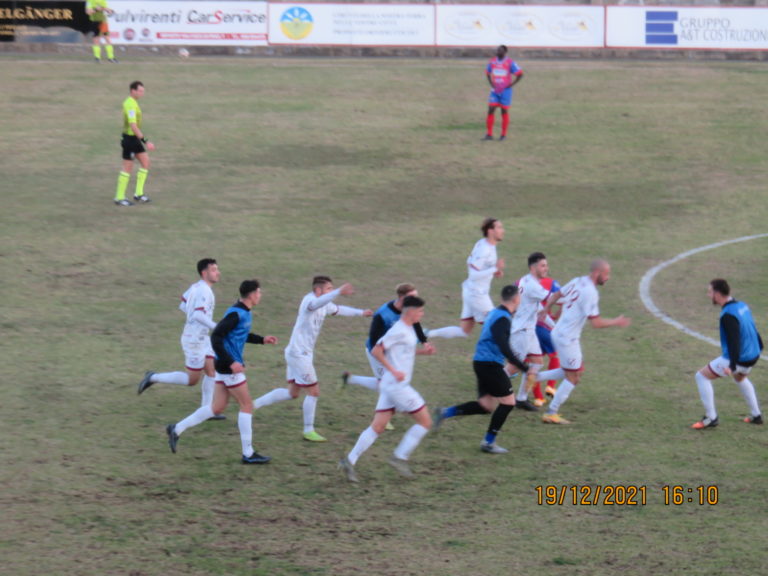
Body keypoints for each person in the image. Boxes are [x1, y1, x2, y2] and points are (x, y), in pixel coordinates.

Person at [165, 279, 277, 464]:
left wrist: (262, 339)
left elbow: (239, 335)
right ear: (251, 294)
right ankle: (248, 454)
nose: (260, 295)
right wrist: (232, 362)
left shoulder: (242, 312)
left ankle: (176, 429)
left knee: (216, 408)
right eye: (259, 292)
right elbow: (216, 336)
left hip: (223, 365)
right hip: (228, 366)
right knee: (247, 405)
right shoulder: (236, 314)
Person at [252, 276, 373, 442]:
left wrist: (361, 313)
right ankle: (308, 430)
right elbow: (318, 304)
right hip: (299, 354)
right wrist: (338, 291)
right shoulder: (309, 301)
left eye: (332, 288)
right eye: (329, 288)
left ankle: (253, 405)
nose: (331, 291)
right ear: (318, 290)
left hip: (300, 353)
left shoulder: (324, 303)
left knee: (292, 393)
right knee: (314, 391)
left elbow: (338, 309)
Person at [339, 296, 436, 482]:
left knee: (378, 426)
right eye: (421, 311)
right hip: (397, 386)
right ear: (410, 311)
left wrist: (424, 352)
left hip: (390, 385)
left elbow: (403, 351)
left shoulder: (407, 329)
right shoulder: (398, 329)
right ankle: (399, 457)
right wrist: (393, 370)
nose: (422, 314)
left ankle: (349, 461)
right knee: (425, 422)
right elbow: (376, 350)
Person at [432, 285, 529, 454]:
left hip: (481, 362)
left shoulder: (496, 313)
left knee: (485, 405)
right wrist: (523, 367)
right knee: (508, 403)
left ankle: (445, 412)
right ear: (516, 299)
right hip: (490, 365)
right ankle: (488, 442)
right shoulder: (502, 318)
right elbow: (504, 346)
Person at [536, 259, 631, 424]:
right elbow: (596, 323)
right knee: (574, 376)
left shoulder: (577, 280)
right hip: (567, 338)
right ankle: (551, 412)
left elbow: (557, 294)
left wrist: (546, 309)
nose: (607, 278)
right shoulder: (591, 293)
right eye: (606, 274)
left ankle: (533, 377)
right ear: (597, 273)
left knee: (573, 371)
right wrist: (616, 321)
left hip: (559, 332)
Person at [138, 259, 225, 419]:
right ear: (204, 273)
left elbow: (183, 304)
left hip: (201, 337)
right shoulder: (204, 291)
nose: (217, 272)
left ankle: (206, 411)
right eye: (213, 270)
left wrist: (194, 321)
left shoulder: (195, 287)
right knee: (192, 380)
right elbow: (198, 314)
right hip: (194, 340)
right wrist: (215, 326)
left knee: (212, 371)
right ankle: (152, 377)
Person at [341, 284, 432, 429]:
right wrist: (384, 357)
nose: (416, 299)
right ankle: (384, 416)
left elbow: (416, 324)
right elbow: (373, 341)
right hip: (377, 353)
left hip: (391, 353)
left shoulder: (410, 310)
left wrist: (424, 342)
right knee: (386, 383)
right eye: (413, 296)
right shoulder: (382, 314)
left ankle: (351, 379)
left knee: (385, 383)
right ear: (402, 298)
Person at [691, 279, 763, 429]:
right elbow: (752, 327)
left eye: (710, 292)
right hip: (753, 355)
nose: (708, 295)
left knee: (701, 376)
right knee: (740, 378)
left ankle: (711, 418)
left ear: (717, 294)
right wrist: (759, 346)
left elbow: (734, 341)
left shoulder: (728, 315)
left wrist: (731, 365)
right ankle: (756, 415)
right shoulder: (742, 306)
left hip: (739, 358)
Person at [432, 218, 506, 339]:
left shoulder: (485, 244)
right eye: (499, 227)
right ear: (490, 231)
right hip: (477, 294)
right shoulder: (484, 249)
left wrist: (494, 271)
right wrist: (494, 269)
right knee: (498, 323)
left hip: (471, 290)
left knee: (464, 330)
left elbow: (476, 266)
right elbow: (473, 274)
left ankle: (427, 333)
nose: (503, 230)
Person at [508, 252, 552, 412]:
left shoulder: (526, 281)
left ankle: (521, 399)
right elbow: (555, 298)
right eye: (543, 265)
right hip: (521, 332)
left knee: (536, 363)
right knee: (513, 367)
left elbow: (539, 310)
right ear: (533, 267)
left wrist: (554, 328)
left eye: (546, 265)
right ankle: (488, 388)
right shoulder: (533, 286)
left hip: (529, 331)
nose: (546, 268)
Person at [115, 81, 155, 206]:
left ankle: (138, 194)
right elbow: (133, 126)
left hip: (134, 139)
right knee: (127, 167)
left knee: (146, 162)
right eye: (140, 91)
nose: (142, 93)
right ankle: (119, 197)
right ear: (133, 91)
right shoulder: (130, 104)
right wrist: (145, 141)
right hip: (129, 140)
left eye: (143, 91)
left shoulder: (133, 102)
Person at [532, 276, 561, 406]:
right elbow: (563, 300)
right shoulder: (551, 283)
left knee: (535, 363)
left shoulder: (523, 283)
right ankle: (551, 386)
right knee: (556, 355)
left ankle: (538, 398)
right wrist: (557, 314)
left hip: (528, 329)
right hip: (543, 327)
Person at [484, 45, 523, 141]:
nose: (498, 52)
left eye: (500, 51)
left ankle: (503, 135)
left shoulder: (510, 62)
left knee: (503, 111)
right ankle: (489, 134)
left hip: (506, 91)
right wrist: (491, 83)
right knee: (491, 109)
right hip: (495, 90)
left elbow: (520, 74)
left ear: (505, 52)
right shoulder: (492, 61)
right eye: (497, 50)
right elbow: (487, 72)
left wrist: (511, 84)